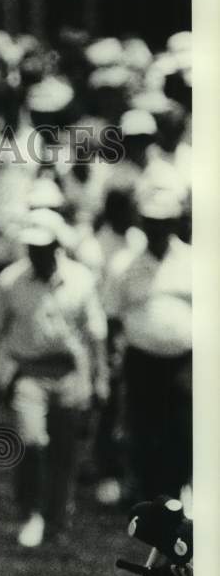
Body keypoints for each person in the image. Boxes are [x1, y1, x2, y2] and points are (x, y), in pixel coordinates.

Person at [0, 209, 109, 548]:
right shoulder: (11, 280)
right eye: (32, 247)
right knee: (33, 442)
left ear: (57, 246)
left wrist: (100, 377)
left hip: (68, 373)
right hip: (28, 373)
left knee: (64, 451)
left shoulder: (80, 279)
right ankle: (31, 513)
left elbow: (95, 334)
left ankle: (57, 516)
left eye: (43, 246)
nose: (36, 253)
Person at [104, 187, 192, 504]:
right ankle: (146, 497)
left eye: (164, 221)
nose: (157, 228)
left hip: (184, 361)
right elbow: (112, 318)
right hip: (140, 360)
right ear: (142, 222)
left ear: (175, 223)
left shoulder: (195, 261)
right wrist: (112, 361)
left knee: (182, 429)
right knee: (142, 430)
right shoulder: (123, 264)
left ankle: (175, 494)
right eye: (151, 221)